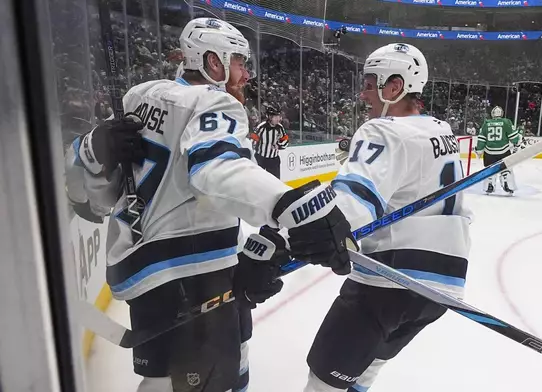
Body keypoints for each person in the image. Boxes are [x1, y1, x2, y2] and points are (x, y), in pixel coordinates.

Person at [64, 17, 355, 392]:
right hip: (190, 274)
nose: (247, 74)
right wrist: (291, 206)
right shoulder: (214, 103)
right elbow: (213, 171)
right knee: (196, 383)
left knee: (173, 377)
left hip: (146, 270)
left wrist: (88, 149)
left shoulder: (140, 95)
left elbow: (102, 198)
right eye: (240, 63)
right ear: (213, 62)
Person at [302, 43, 472, 392]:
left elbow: (355, 199)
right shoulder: (443, 131)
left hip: (388, 282)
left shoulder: (383, 130)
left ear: (394, 86)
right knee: (363, 376)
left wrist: (307, 230)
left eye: (369, 83)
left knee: (324, 384)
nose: (364, 93)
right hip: (441, 290)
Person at [475, 106, 520, 195]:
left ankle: (489, 185)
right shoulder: (506, 122)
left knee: (490, 170)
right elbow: (513, 137)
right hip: (504, 151)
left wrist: (479, 150)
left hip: (489, 152)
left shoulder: (486, 123)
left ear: (492, 114)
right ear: (501, 113)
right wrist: (516, 143)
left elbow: (482, 139)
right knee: (506, 169)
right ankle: (508, 184)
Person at [249, 105, 288, 178]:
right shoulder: (261, 127)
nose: (278, 119)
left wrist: (279, 145)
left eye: (279, 116)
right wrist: (255, 144)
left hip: (273, 160)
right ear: (270, 117)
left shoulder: (280, 127)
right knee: (258, 181)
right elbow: (252, 140)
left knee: (275, 183)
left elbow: (285, 140)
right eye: (276, 116)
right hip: (260, 159)